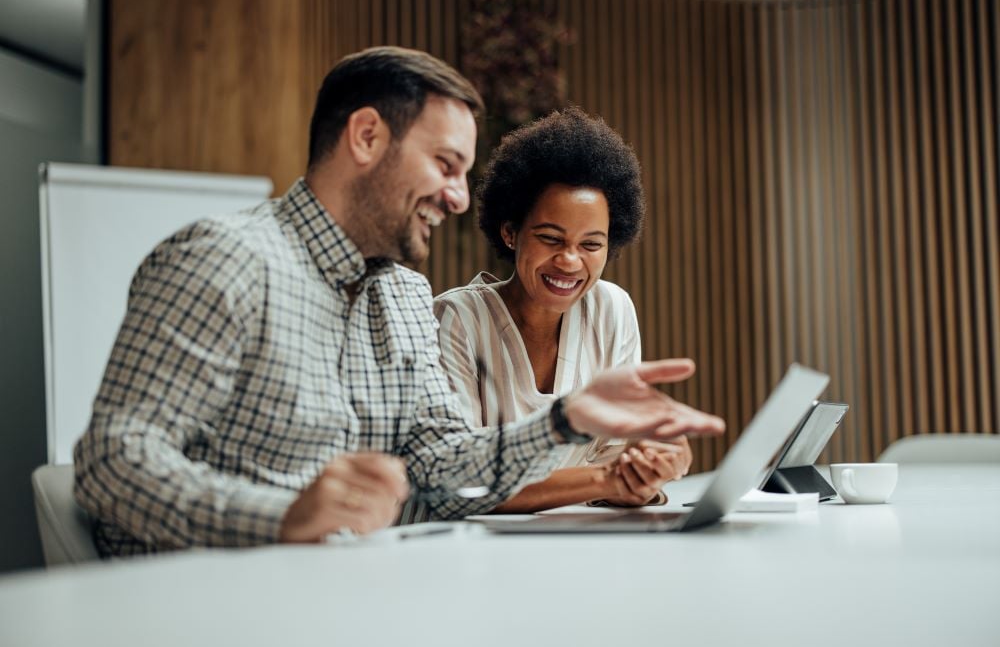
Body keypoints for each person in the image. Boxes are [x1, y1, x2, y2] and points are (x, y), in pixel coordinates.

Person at [74, 46, 725, 557]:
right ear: (365, 137)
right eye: (446, 164)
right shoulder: (226, 259)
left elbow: (444, 470)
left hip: (356, 595)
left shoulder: (405, 296)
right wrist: (283, 516)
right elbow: (111, 463)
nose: (461, 197)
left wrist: (563, 421)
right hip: (210, 605)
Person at [435, 108, 703, 512]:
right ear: (510, 233)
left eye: (591, 245)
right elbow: (462, 482)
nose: (570, 261)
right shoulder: (456, 320)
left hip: (577, 546)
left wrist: (648, 473)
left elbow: (616, 462)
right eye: (550, 238)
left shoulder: (612, 309)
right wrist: (607, 480)